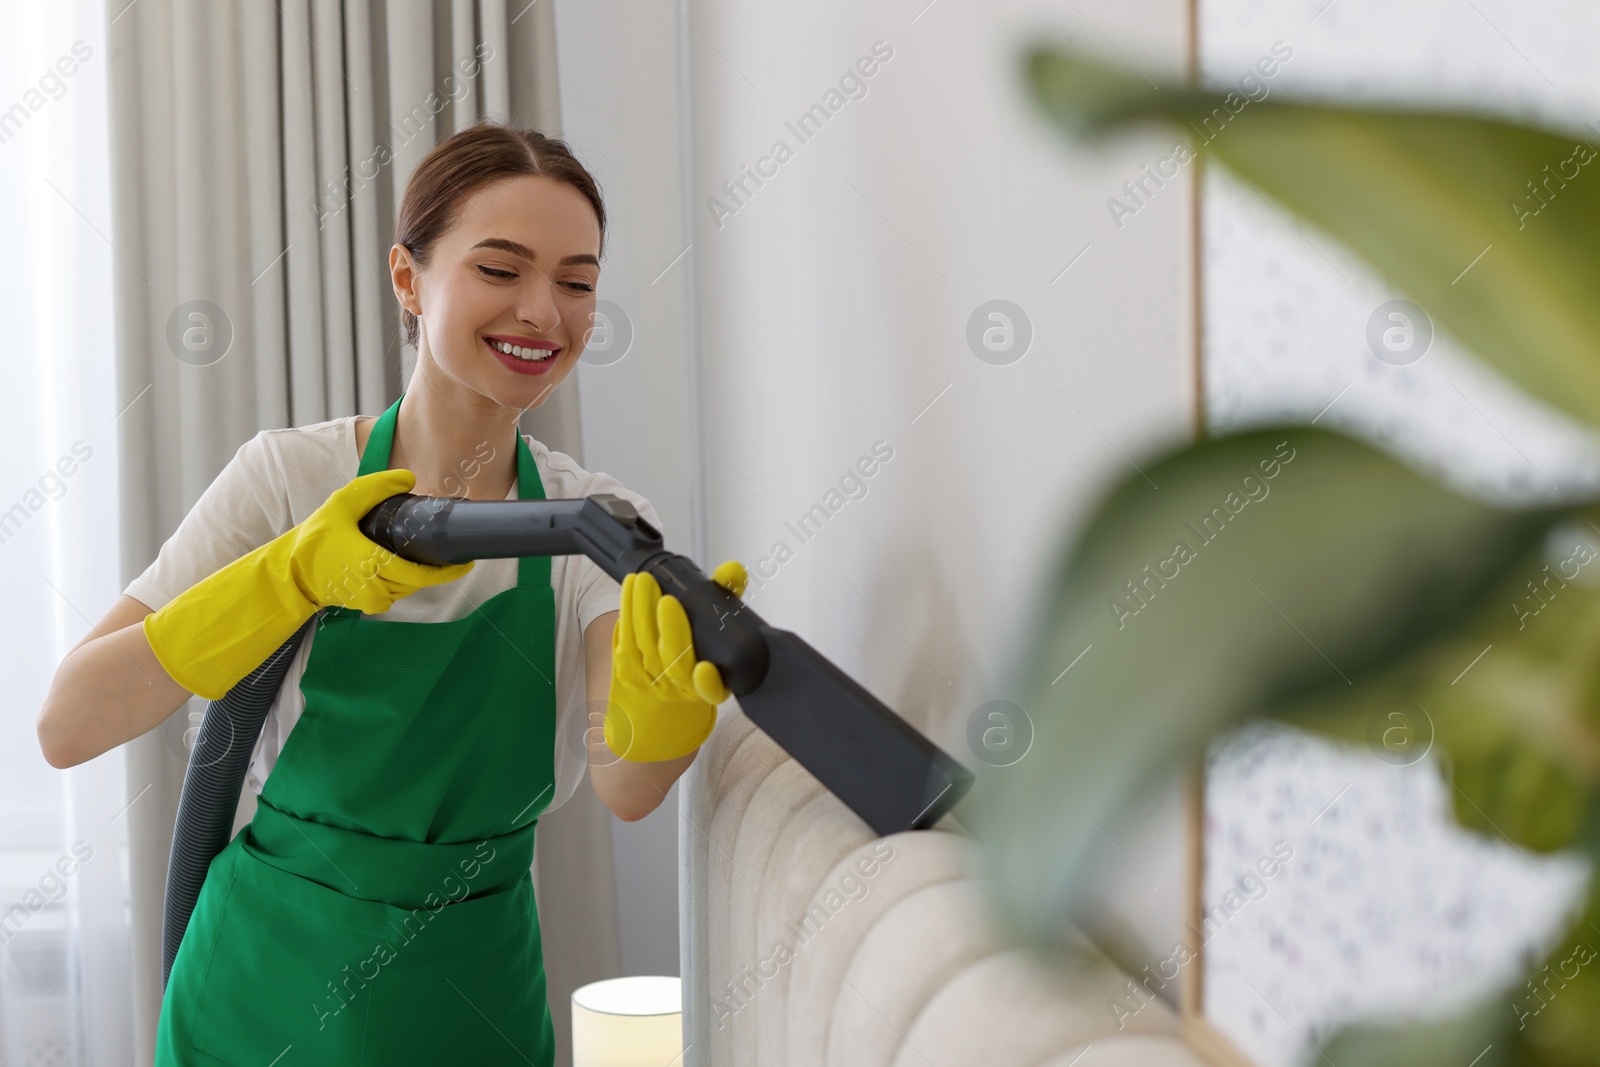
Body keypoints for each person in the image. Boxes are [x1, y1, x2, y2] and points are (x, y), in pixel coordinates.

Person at [37, 122, 744, 1066]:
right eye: (502, 269)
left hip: (470, 1002)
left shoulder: (595, 522)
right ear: (409, 280)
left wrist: (658, 726)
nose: (544, 310)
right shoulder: (289, 478)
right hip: (257, 990)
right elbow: (68, 723)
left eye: (577, 282)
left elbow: (622, 786)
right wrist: (286, 576)